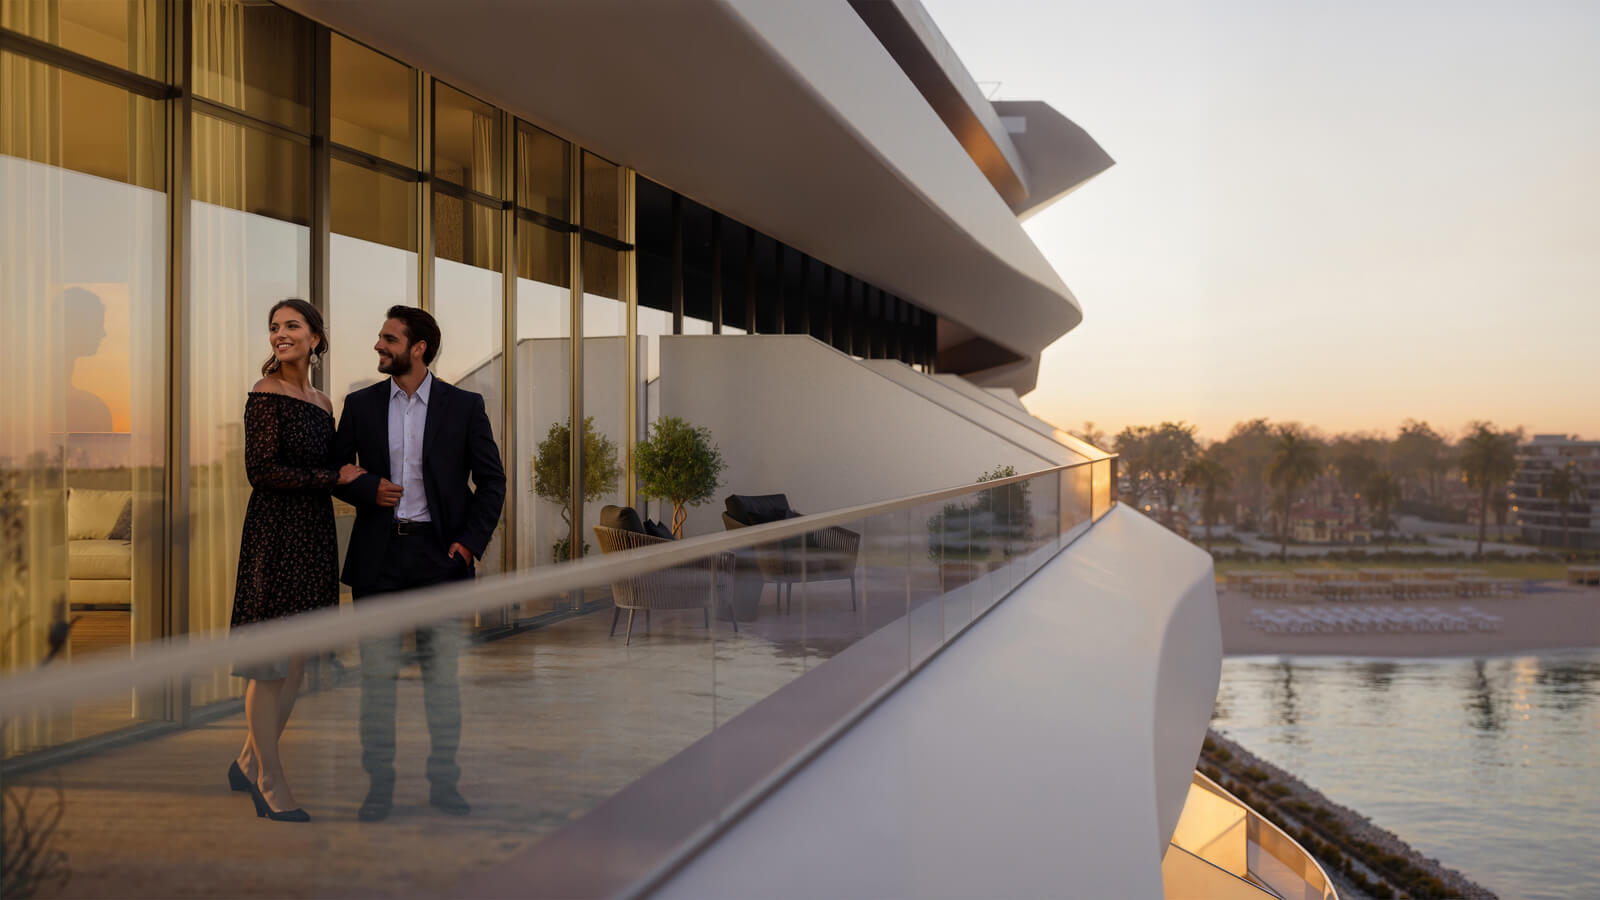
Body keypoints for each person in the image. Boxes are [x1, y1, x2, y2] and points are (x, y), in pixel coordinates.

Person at [333, 305, 506, 823]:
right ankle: (379, 789)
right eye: (381, 337)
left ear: (418, 347)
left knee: (442, 682)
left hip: (440, 560)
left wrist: (468, 544)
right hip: (379, 561)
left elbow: (491, 482)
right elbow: (334, 468)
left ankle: (444, 784)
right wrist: (369, 487)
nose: (378, 345)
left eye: (388, 338)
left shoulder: (464, 406)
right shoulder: (360, 404)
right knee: (377, 683)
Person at [228, 298, 365, 823]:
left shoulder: (324, 403)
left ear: (315, 338)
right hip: (275, 536)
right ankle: (269, 779)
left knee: (296, 662)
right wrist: (332, 478)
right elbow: (261, 471)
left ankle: (247, 761)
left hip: (313, 536)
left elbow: (338, 470)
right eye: (274, 327)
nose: (280, 334)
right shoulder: (265, 393)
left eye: (291, 325)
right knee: (268, 665)